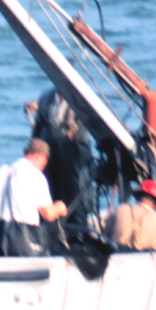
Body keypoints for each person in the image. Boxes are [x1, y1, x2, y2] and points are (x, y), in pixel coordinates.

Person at [0, 139, 68, 257]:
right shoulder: (35, 175)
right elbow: (48, 214)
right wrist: (60, 208)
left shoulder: (2, 170)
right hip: (21, 237)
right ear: (40, 156)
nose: (43, 167)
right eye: (45, 162)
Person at [30, 89, 94, 219]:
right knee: (48, 183)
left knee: (73, 186)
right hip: (49, 150)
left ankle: (76, 223)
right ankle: (49, 217)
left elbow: (83, 129)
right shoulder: (46, 97)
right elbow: (38, 127)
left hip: (74, 150)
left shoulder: (81, 98)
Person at [106, 179, 156, 251]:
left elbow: (106, 236)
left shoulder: (119, 210)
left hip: (117, 258)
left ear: (138, 196)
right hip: (143, 260)